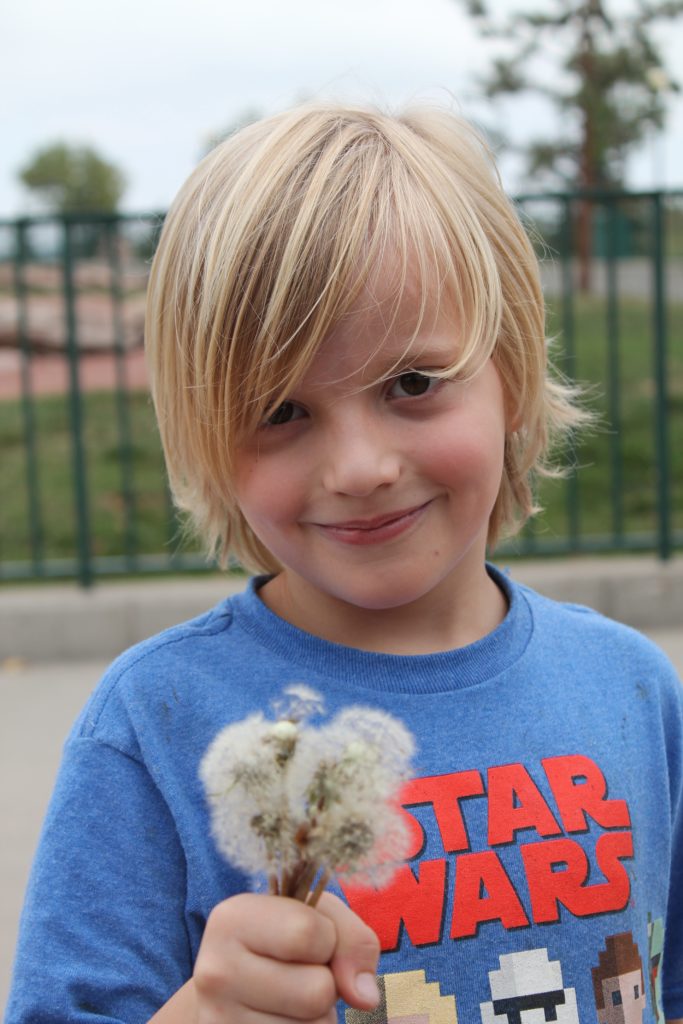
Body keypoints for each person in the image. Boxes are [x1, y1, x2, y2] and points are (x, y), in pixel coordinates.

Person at [6, 103, 682, 1024]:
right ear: (205, 437)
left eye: (412, 383)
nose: (360, 468)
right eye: (281, 411)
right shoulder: (150, 728)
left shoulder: (632, 688)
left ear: (512, 375)